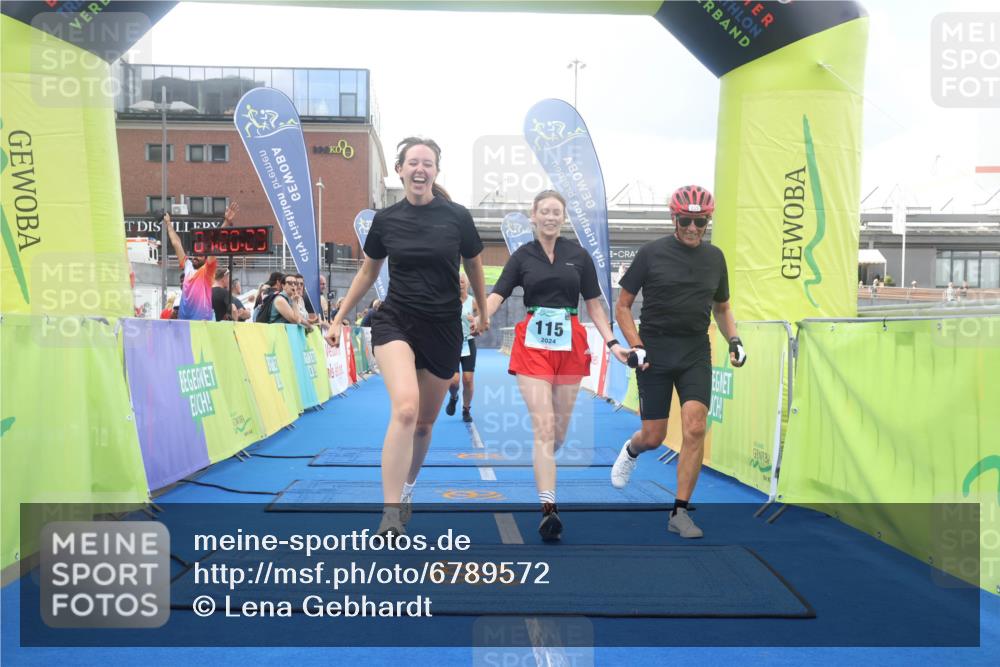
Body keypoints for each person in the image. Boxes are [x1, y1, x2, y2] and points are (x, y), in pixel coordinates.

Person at [325, 137, 488, 538]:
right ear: (399, 169)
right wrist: (338, 317)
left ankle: (409, 488)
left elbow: (475, 264)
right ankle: (390, 510)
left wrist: (483, 309)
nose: (420, 169)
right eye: (412, 162)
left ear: (436, 171)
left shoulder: (457, 217)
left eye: (427, 163)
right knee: (405, 410)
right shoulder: (386, 221)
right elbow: (367, 271)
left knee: (424, 424)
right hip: (396, 321)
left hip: (444, 327)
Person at [486, 190, 629, 541]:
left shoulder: (577, 256)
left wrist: (612, 342)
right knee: (545, 427)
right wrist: (480, 317)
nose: (550, 217)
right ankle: (549, 508)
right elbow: (498, 293)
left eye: (556, 212)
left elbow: (594, 304)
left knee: (559, 433)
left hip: (569, 345)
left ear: (562, 218)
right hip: (533, 345)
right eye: (544, 211)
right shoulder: (522, 256)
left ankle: (546, 462)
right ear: (533, 216)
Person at [610, 185, 746, 539]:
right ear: (674, 218)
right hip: (653, 353)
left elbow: (723, 307)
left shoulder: (715, 258)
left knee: (695, 427)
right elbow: (623, 305)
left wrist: (734, 339)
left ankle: (680, 511)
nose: (692, 228)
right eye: (685, 220)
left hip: (695, 352)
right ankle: (632, 448)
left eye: (700, 222)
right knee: (654, 437)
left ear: (707, 221)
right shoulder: (650, 254)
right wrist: (635, 345)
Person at [166, 202, 238, 320]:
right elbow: (176, 243)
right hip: (184, 322)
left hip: (202, 324)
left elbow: (214, 244)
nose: (195, 256)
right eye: (194, 254)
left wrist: (226, 221)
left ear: (206, 259)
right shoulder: (188, 266)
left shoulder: (207, 271)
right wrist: (168, 224)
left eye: (199, 255)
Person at [445, 274, 480, 423]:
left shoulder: (473, 302)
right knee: (453, 381)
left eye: (462, 281)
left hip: (468, 343)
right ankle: (453, 397)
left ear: (467, 284)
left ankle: (466, 409)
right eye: (457, 281)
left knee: (468, 379)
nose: (460, 284)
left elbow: (482, 322)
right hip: (452, 344)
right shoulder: (448, 301)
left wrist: (476, 324)